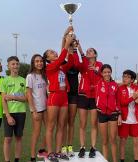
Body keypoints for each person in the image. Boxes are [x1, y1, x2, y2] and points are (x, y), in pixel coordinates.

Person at [43, 26, 75, 162]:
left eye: (53, 51)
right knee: (51, 126)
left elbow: (70, 61)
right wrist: (66, 43)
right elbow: (62, 56)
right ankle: (50, 153)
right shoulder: (49, 67)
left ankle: (58, 151)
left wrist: (71, 48)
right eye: (51, 52)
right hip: (54, 96)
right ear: (47, 58)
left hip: (64, 97)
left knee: (62, 126)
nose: (54, 52)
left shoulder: (60, 66)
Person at [74, 41, 103, 158]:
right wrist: (78, 48)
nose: (88, 51)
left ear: (95, 55)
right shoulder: (84, 64)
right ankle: (82, 147)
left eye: (91, 50)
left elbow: (104, 77)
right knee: (82, 124)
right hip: (83, 96)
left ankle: (93, 147)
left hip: (95, 97)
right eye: (87, 51)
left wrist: (96, 71)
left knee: (94, 124)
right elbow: (77, 63)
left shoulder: (100, 64)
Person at [0, 56, 27, 162]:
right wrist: (8, 116)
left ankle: (17, 159)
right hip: (9, 113)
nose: (15, 66)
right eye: (13, 64)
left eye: (17, 64)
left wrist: (13, 97)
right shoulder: (5, 81)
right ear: (8, 66)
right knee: (8, 138)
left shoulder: (23, 80)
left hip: (21, 112)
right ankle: (7, 160)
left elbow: (26, 98)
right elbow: (3, 100)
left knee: (19, 138)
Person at [117, 70, 138, 162]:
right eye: (123, 76)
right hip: (124, 120)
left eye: (127, 77)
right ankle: (122, 160)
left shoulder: (137, 88)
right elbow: (121, 102)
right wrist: (132, 98)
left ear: (132, 79)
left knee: (136, 142)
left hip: (135, 120)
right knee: (122, 142)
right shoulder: (120, 89)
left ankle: (136, 160)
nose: (124, 78)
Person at [60, 28, 80, 157]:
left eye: (73, 40)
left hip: (73, 94)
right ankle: (62, 148)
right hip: (63, 94)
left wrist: (75, 42)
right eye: (70, 40)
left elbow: (81, 64)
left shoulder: (76, 56)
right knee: (62, 122)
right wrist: (65, 34)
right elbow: (63, 45)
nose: (71, 42)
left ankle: (70, 146)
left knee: (71, 122)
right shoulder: (63, 56)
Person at [95, 64, 119, 162]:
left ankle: (114, 160)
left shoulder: (115, 85)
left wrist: (119, 114)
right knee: (104, 141)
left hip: (113, 114)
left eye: (109, 72)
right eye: (105, 72)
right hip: (102, 114)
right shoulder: (98, 83)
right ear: (101, 73)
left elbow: (118, 101)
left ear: (111, 73)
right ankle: (105, 160)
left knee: (113, 140)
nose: (107, 74)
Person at [26, 54, 48, 162]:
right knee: (36, 132)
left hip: (46, 107)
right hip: (37, 109)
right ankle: (32, 157)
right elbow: (29, 94)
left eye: (41, 61)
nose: (39, 63)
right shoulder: (30, 76)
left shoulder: (45, 75)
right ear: (33, 63)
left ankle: (42, 151)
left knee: (49, 130)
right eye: (37, 61)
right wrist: (33, 110)